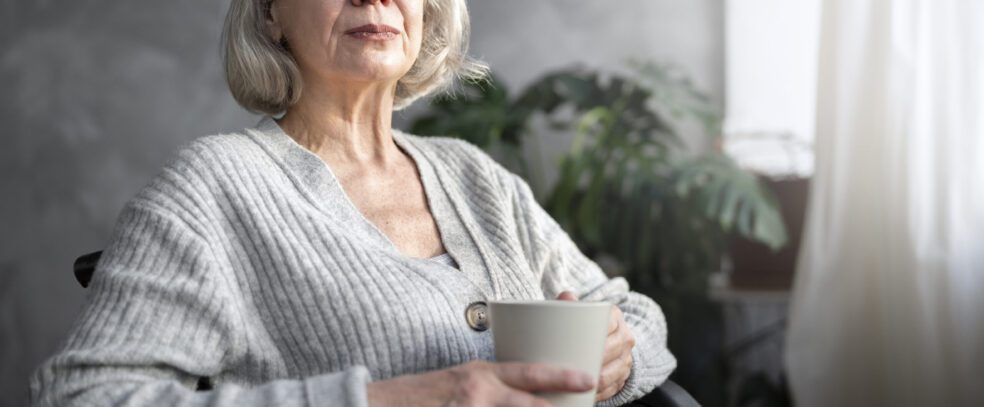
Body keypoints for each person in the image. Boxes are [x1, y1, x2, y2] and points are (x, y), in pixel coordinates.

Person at [30, 0, 676, 405]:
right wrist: (392, 399)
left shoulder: (474, 176)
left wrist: (614, 363)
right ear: (269, 14)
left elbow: (631, 315)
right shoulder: (214, 186)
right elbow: (84, 394)